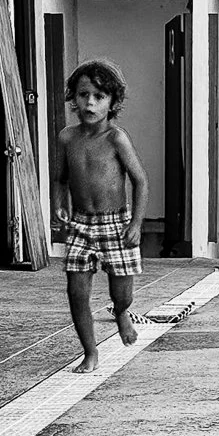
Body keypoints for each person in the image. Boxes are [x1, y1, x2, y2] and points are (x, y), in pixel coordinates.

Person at [53, 60, 149, 374]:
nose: (90, 102)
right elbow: (61, 178)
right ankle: (90, 353)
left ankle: (121, 313)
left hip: (116, 223)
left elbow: (140, 180)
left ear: (113, 102)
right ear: (73, 99)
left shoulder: (116, 138)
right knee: (76, 291)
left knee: (121, 294)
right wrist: (59, 204)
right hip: (81, 224)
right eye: (83, 95)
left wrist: (135, 224)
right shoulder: (67, 138)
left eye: (99, 96)